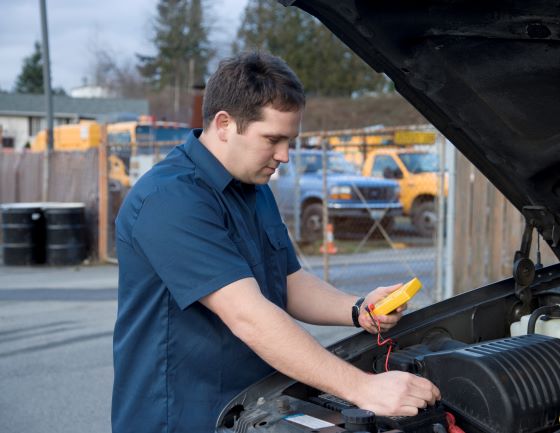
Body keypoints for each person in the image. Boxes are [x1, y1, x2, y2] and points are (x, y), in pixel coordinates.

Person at [111, 51, 440, 433]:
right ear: (224, 124)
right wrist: (364, 389)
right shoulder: (170, 199)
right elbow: (248, 314)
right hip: (181, 417)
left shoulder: (254, 188)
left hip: (254, 410)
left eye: (289, 140)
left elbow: (287, 282)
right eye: (273, 139)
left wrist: (356, 309)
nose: (284, 155)